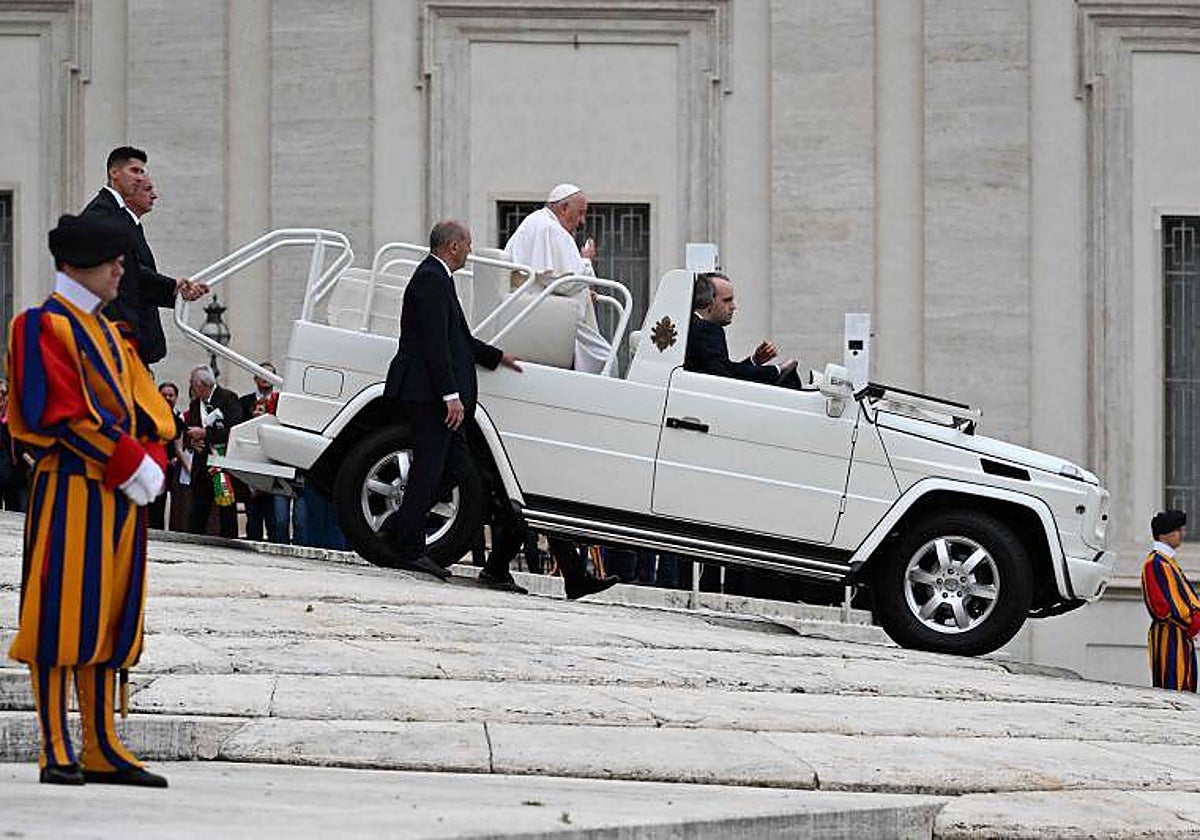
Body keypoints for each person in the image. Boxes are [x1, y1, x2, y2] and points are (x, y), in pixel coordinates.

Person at [7, 213, 175, 787]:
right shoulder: (39, 327)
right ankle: (56, 744)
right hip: (74, 486)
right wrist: (131, 463)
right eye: (113, 260)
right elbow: (52, 415)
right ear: (82, 264)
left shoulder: (113, 333)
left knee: (110, 616)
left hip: (120, 496)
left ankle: (101, 742)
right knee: (61, 613)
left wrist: (149, 461)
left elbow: (148, 412)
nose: (120, 269)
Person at [382, 220, 523, 580]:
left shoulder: (438, 278)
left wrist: (497, 356)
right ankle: (409, 548)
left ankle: (398, 529)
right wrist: (451, 396)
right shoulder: (431, 279)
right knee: (428, 470)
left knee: (460, 473)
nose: (471, 251)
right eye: (469, 245)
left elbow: (457, 339)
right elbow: (435, 345)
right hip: (430, 397)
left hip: (438, 398)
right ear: (454, 246)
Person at [80, 147, 207, 365]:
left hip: (129, 343)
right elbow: (128, 273)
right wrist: (174, 287)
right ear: (114, 173)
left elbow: (134, 273)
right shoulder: (102, 214)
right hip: (115, 342)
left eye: (142, 172)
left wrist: (176, 290)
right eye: (135, 171)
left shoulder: (120, 217)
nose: (140, 178)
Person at [503, 183, 612, 374]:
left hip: (540, 309)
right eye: (580, 213)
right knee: (606, 358)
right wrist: (586, 261)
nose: (582, 221)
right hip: (547, 316)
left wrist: (585, 293)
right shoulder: (549, 229)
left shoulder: (536, 221)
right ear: (563, 208)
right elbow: (565, 284)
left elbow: (549, 279)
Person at [685, 272, 798, 385]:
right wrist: (777, 370)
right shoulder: (706, 330)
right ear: (709, 301)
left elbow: (725, 369)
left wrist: (755, 361)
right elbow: (724, 380)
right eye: (727, 300)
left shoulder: (692, 327)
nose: (733, 307)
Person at [1141, 510, 1200, 691]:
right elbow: (1160, 606)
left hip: (1180, 633)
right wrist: (1190, 619)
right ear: (1165, 534)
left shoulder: (1167, 562)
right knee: (1172, 684)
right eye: (1178, 530)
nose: (1181, 534)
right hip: (1170, 633)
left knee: (1186, 683)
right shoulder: (1154, 563)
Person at [183, 365, 244, 538]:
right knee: (198, 511)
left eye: (192, 383)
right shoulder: (195, 405)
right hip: (202, 465)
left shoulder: (228, 398)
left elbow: (234, 429)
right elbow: (189, 432)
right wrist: (192, 442)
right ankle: (193, 542)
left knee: (226, 511)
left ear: (202, 385)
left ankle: (230, 542)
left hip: (223, 464)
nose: (191, 387)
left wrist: (205, 433)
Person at [239, 362, 286, 542]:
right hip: (252, 462)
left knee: (276, 519)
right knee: (254, 518)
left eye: (270, 375)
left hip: (275, 462)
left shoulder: (282, 402)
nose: (266, 379)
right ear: (255, 378)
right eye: (262, 374)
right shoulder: (244, 402)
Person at [146, 380, 184, 530]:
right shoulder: (150, 416)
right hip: (155, 465)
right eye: (164, 395)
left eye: (171, 395)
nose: (168, 398)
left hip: (174, 468)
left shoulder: (180, 418)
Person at [0, 377, 28, 511]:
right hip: (4, 470)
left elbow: (22, 444)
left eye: (3, 393)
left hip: (17, 473)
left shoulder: (14, 418)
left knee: (19, 511)